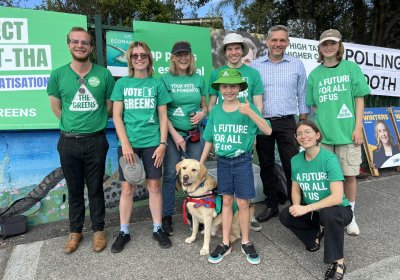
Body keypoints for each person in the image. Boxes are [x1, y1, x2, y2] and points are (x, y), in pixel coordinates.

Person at [47, 27, 115, 254]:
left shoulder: (103, 74)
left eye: (85, 42)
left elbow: (109, 107)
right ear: (68, 45)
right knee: (74, 190)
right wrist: (74, 124)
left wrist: (91, 123)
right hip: (68, 142)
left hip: (96, 141)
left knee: (95, 189)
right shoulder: (58, 75)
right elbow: (57, 108)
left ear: (91, 47)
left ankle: (98, 231)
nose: (80, 45)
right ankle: (75, 232)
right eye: (75, 42)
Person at [200, 68, 272, 265]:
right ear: (220, 88)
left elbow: (267, 129)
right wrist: (200, 162)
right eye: (225, 86)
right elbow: (208, 139)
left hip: (242, 161)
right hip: (223, 162)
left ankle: (246, 241)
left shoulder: (247, 108)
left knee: (243, 203)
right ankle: (225, 242)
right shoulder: (215, 111)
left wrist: (250, 113)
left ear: (240, 88)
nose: (229, 90)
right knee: (226, 201)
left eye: (233, 86)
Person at [306, 29, 370, 236]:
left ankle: (349, 216)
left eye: (332, 43)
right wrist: (320, 130)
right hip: (324, 137)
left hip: (348, 134)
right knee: (326, 178)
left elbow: (360, 98)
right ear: (320, 48)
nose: (328, 47)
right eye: (324, 44)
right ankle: (328, 216)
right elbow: (314, 106)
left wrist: (358, 126)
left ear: (339, 46)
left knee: (349, 176)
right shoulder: (315, 75)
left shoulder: (351, 68)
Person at [110, 41, 172, 253]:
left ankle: (157, 228)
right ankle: (124, 231)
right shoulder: (122, 84)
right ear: (130, 59)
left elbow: (163, 116)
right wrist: (126, 144)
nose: (139, 58)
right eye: (135, 55)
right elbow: (116, 116)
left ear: (149, 59)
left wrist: (163, 143)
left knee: (154, 186)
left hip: (153, 143)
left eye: (143, 55)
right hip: (129, 145)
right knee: (127, 188)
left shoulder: (157, 84)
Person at [279, 120, 353, 280]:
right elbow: (295, 188)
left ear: (317, 135)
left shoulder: (329, 158)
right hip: (315, 211)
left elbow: (337, 196)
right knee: (286, 215)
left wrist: (306, 208)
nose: (303, 136)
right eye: (299, 134)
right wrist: (297, 206)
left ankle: (338, 262)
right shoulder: (295, 160)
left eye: (307, 132)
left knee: (329, 214)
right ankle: (315, 235)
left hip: (339, 210)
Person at [251, 25, 308, 223]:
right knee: (266, 164)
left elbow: (302, 94)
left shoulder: (296, 64)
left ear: (287, 42)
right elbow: (250, 96)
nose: (278, 44)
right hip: (262, 122)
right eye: (274, 40)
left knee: (292, 164)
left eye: (282, 40)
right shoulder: (255, 66)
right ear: (267, 42)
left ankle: (296, 204)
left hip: (287, 121)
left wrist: (302, 121)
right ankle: (272, 204)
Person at [209, 32, 264, 232]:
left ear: (243, 50)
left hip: (245, 134)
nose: (233, 52)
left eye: (237, 48)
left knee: (245, 177)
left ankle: (248, 216)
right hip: (225, 134)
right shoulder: (216, 74)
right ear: (225, 52)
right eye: (229, 48)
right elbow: (211, 104)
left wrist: (255, 133)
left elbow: (258, 105)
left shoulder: (253, 74)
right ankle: (228, 220)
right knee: (227, 187)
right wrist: (215, 134)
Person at [160, 41, 207, 236]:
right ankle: (167, 216)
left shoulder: (198, 79)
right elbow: (162, 112)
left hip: (195, 134)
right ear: (172, 58)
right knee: (171, 174)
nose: (183, 58)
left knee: (197, 174)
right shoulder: (165, 79)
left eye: (186, 54)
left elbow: (205, 106)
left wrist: (203, 114)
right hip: (173, 133)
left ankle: (197, 216)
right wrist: (175, 134)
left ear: (191, 56)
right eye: (179, 55)